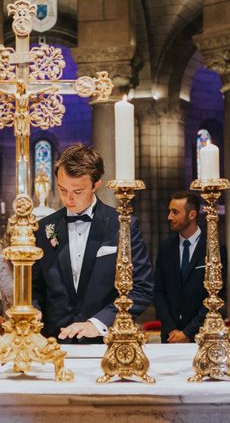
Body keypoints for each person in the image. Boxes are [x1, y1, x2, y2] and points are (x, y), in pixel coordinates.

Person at [32, 143, 153, 343]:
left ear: (95, 185)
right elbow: (34, 287)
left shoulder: (122, 225)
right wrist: (34, 311)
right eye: (62, 189)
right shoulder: (43, 228)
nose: (68, 199)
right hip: (53, 344)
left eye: (77, 191)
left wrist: (97, 323)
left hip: (105, 343)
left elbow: (141, 287)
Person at [153, 191, 226, 343]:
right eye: (169, 211)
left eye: (175, 212)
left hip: (202, 334)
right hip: (170, 336)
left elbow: (217, 294)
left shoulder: (213, 247)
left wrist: (188, 332)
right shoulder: (166, 247)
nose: (169, 217)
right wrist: (171, 329)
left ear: (192, 215)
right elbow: (158, 291)